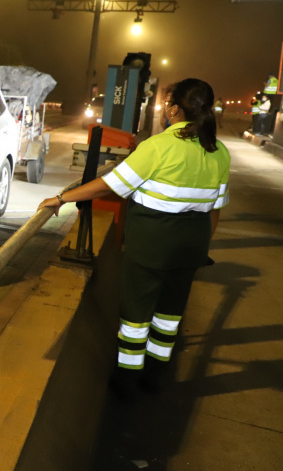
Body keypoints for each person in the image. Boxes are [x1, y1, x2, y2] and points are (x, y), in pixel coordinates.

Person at [38, 78, 231, 398]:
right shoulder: (218, 151)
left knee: (136, 315)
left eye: (167, 104)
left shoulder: (158, 147)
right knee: (170, 315)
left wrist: (63, 198)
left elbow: (110, 185)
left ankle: (127, 378)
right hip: (191, 248)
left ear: (173, 109)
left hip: (152, 245)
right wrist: (201, 245)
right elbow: (215, 210)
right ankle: (155, 375)